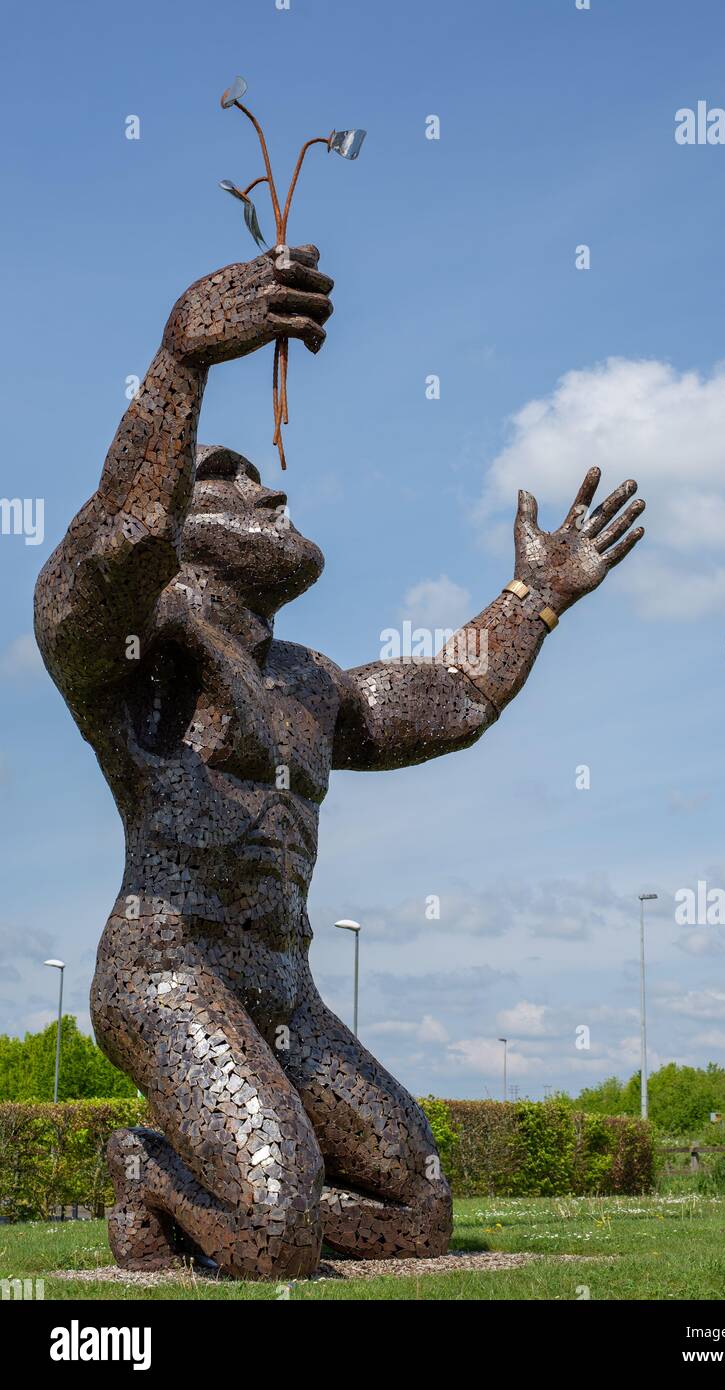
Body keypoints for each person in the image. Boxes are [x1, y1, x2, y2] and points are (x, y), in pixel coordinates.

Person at [34, 243, 645, 1278]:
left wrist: (534, 599)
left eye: (271, 487)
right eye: (237, 488)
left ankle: (205, 1186)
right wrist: (182, 357)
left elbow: (452, 698)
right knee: (275, 1224)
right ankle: (151, 1173)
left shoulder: (312, 682)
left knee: (420, 1204)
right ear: (187, 530)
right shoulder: (137, 651)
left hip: (281, 984)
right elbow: (116, 538)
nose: (275, 500)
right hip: (164, 972)